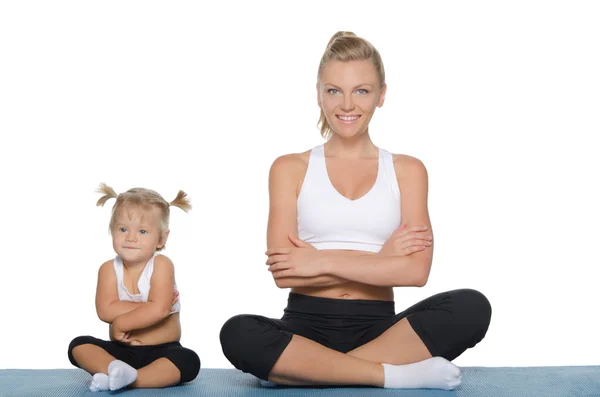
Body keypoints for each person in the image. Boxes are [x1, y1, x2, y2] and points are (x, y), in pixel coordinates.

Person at [220, 31, 491, 390]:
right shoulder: (289, 168)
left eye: (361, 90)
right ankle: (390, 375)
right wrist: (383, 260)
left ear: (381, 95)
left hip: (383, 331)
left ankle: (303, 371)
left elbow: (416, 271)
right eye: (334, 90)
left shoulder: (408, 170)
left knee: (472, 307)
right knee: (237, 332)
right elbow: (285, 274)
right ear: (319, 94)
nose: (347, 104)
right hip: (304, 326)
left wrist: (320, 261)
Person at [68, 184, 200, 391]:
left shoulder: (162, 264)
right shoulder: (108, 269)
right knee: (79, 345)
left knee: (188, 361)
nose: (131, 237)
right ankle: (113, 369)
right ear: (112, 231)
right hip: (121, 350)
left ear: (161, 238)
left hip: (162, 350)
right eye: (123, 229)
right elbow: (105, 310)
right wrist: (149, 306)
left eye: (143, 231)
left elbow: (160, 309)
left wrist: (122, 322)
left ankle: (132, 379)